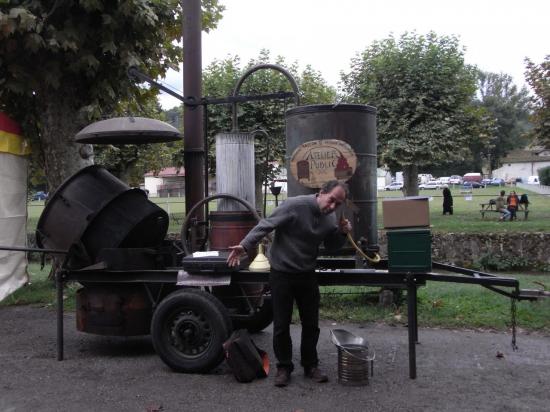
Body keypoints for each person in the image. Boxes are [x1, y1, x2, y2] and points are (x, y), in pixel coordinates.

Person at [226, 180, 352, 387]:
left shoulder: (331, 219)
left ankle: (310, 365)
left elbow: (331, 247)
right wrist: (245, 245)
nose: (333, 207)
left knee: (311, 324)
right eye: (331, 200)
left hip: (307, 274)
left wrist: (343, 233)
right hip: (282, 274)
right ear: (322, 192)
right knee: (281, 325)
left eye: (338, 204)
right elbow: (266, 225)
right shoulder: (295, 205)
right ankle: (284, 367)